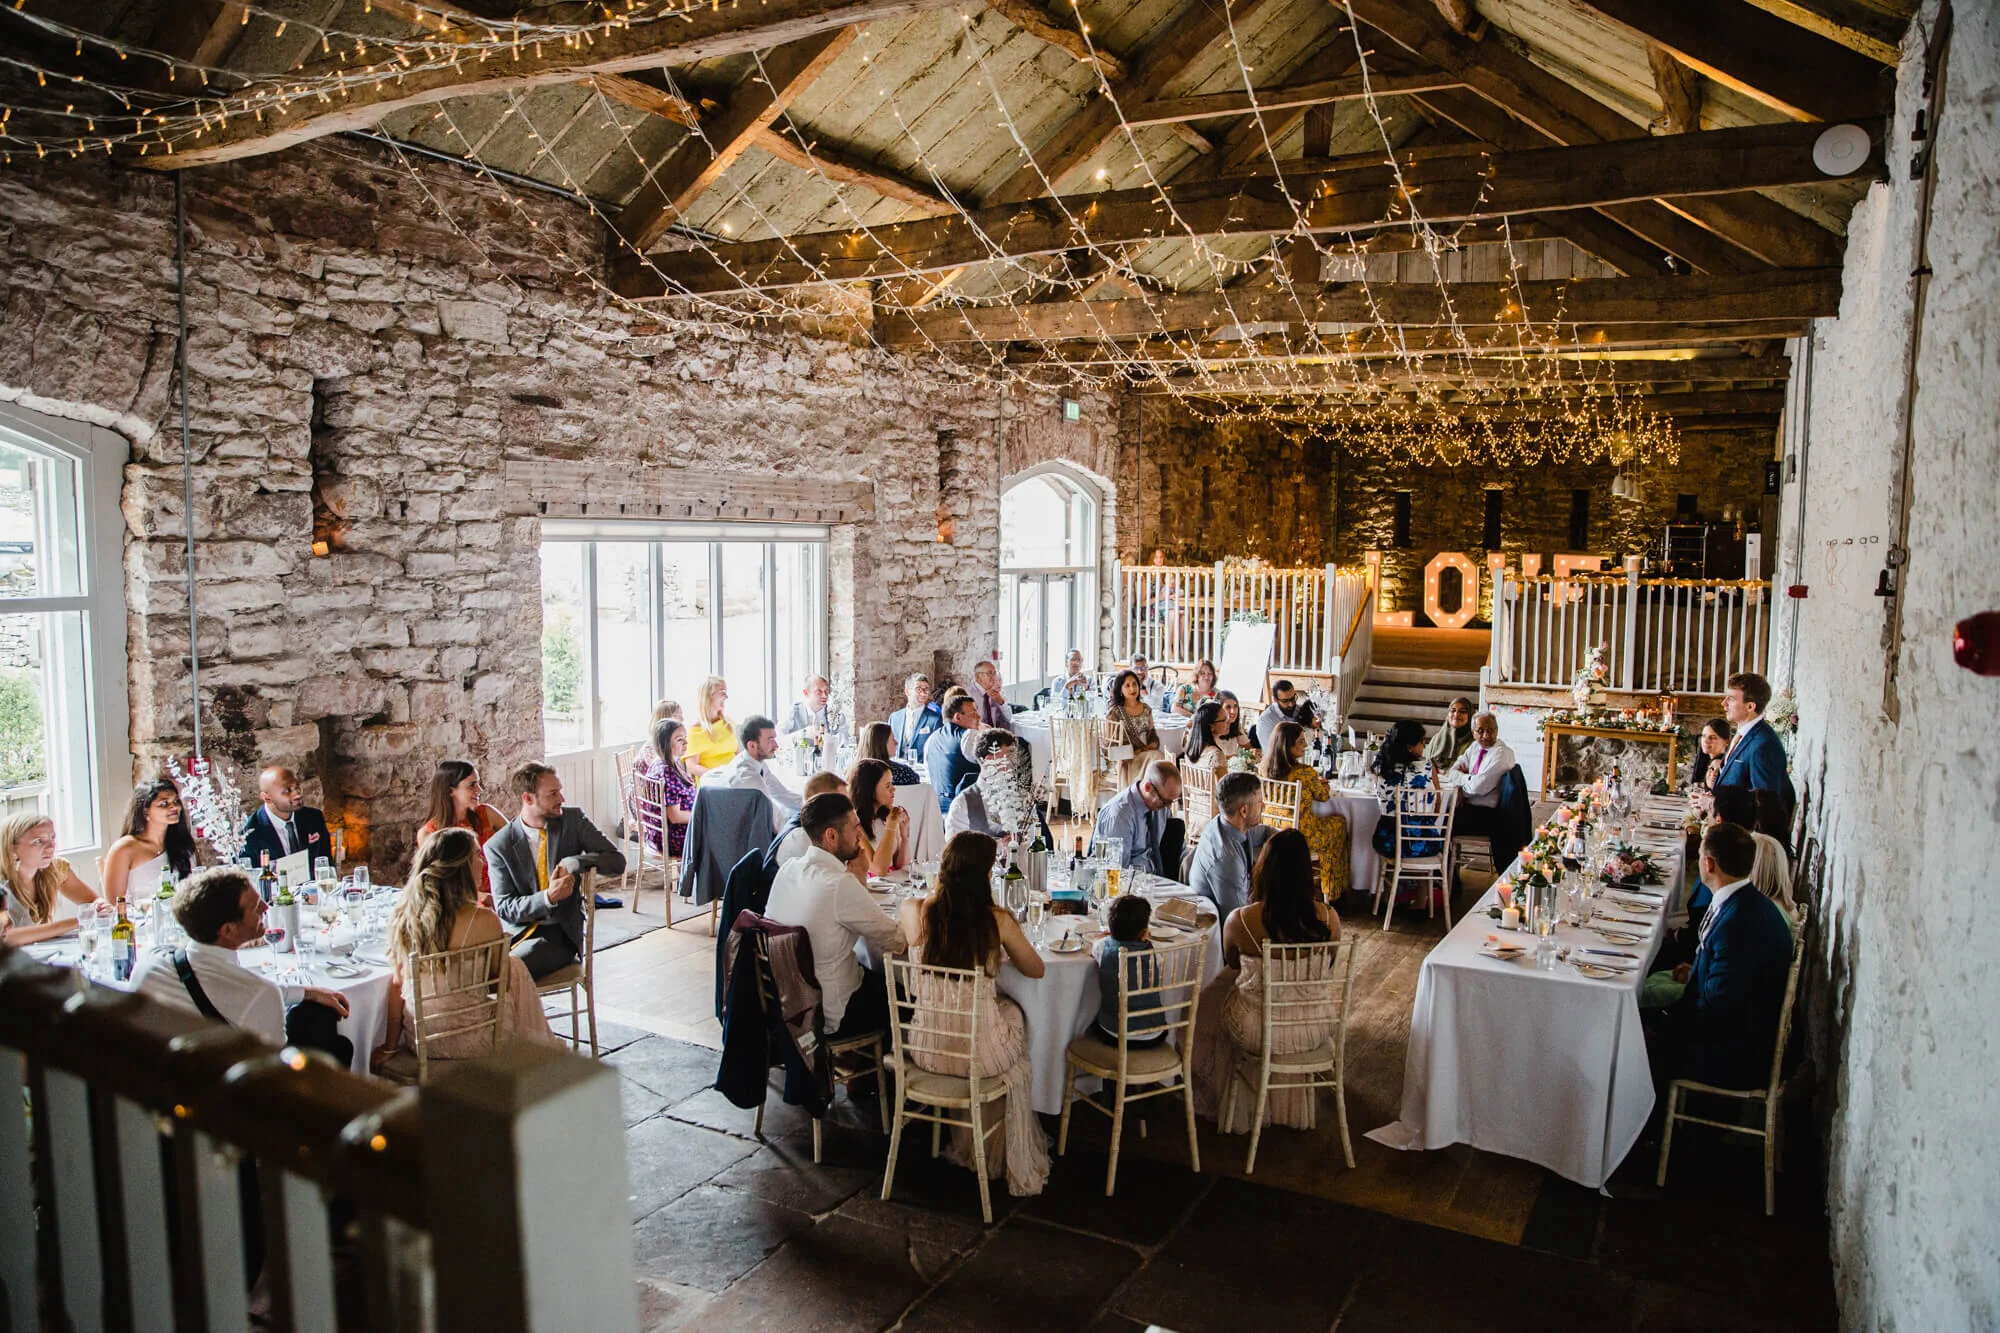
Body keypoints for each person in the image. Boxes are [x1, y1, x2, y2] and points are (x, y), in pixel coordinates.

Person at [896, 832, 1048, 1197]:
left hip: (926, 1049)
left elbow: (913, 934)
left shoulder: (916, 910)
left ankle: (968, 1136)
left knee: (995, 1014)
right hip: (978, 1059)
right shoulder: (996, 921)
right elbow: (1036, 970)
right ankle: (999, 1145)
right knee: (1015, 1014)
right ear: (985, 874)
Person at [1191, 829, 1339, 1133]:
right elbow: (1330, 965)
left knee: (1201, 1009)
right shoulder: (1328, 919)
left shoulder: (1241, 920)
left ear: (1264, 869)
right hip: (1313, 1026)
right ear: (1304, 873)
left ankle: (1236, 1096)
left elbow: (1232, 963)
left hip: (1258, 1029)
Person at [374, 828, 555, 1071]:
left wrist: (390, 1046)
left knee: (514, 966)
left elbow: (397, 987)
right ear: (461, 868)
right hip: (477, 1039)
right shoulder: (484, 921)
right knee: (514, 968)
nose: (482, 862)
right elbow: (495, 982)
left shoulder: (405, 919)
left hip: (424, 1042)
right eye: (476, 856)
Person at [134, 866, 353, 1064]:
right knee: (325, 1030)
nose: (266, 907)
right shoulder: (259, 995)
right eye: (256, 907)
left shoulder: (149, 964)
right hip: (231, 1093)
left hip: (174, 1077)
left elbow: (230, 990)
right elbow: (274, 1071)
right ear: (228, 930)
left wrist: (306, 992)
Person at [1643, 823, 1795, 1097]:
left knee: (1629, 1040)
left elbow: (1716, 1010)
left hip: (1735, 1054)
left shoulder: (1739, 922)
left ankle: (1647, 1127)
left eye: (1700, 855)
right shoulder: (1745, 902)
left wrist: (1661, 1027)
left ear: (1708, 864)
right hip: (1735, 1030)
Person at [764, 793, 907, 1039]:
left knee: (867, 970)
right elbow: (896, 941)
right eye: (855, 828)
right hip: (832, 1013)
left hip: (786, 1004)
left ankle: (861, 1068)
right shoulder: (839, 884)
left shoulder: (788, 869)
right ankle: (879, 1073)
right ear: (831, 836)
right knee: (906, 994)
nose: (861, 836)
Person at [487, 763, 627, 981]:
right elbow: (505, 908)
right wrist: (548, 898)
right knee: (476, 971)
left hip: (560, 933)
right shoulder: (499, 845)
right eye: (553, 793)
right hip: (516, 935)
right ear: (528, 798)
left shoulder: (572, 821)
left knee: (506, 972)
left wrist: (575, 861)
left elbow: (617, 862)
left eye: (559, 790)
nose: (561, 799)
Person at [1261, 721, 1351, 901]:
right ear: (1289, 745)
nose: (1306, 745)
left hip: (1273, 831)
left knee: (1332, 825)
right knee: (1338, 824)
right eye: (1301, 741)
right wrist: (1323, 785)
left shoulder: (1264, 768)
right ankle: (1332, 892)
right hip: (1301, 835)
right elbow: (1323, 797)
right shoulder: (1304, 772)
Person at [1706, 671, 1796, 832]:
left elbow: (1764, 806)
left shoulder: (1764, 744)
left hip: (1742, 842)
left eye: (1731, 699)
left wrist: (1713, 803)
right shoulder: (1745, 734)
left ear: (1750, 706)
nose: (1723, 703)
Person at [416, 760, 509, 903]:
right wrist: (479, 897)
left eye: (478, 784)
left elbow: (518, 842)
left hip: (504, 895)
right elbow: (440, 884)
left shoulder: (487, 814)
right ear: (450, 790)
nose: (479, 790)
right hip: (465, 904)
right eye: (472, 785)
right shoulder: (429, 833)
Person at [0, 813, 98, 945]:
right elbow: (4, 937)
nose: (51, 847)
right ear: (12, 849)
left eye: (52, 838)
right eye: (38, 841)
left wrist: (101, 906)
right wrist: (76, 922)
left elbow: (93, 902)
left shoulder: (56, 868)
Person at [102, 778, 197, 906]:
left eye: (176, 801)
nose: (174, 807)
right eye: (164, 804)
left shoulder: (182, 843)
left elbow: (197, 884)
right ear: (145, 811)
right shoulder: (124, 849)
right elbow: (115, 904)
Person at [1188, 771, 1269, 917]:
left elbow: (1265, 833)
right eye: (1259, 802)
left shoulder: (1227, 823)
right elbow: (1238, 920)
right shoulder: (1227, 858)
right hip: (1220, 929)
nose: (1264, 806)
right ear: (1244, 811)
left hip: (1241, 906)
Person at [710, 716, 804, 833]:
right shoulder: (748, 778)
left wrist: (813, 805)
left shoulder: (756, 762)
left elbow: (781, 793)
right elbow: (777, 823)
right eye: (770, 740)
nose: (776, 745)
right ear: (752, 746)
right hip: (745, 837)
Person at [1093, 894, 1164, 1045]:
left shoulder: (1102, 946)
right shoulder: (1154, 952)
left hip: (1115, 1034)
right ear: (1144, 931)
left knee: (1090, 1022)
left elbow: (1093, 950)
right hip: (1154, 1033)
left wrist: (1103, 938)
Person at [1371, 719, 1445, 862]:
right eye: (1422, 742)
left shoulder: (1380, 768)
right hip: (1424, 842)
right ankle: (1417, 881)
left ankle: (1396, 880)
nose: (1424, 746)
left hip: (1387, 842)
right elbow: (1437, 805)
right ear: (1410, 746)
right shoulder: (1428, 769)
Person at [1092, 760, 1183, 875]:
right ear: (1148, 787)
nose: (1168, 807)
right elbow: (1114, 870)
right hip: (1128, 883)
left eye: (1171, 802)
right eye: (1165, 801)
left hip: (1154, 882)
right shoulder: (1119, 815)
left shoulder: (1160, 808)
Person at [946, 729, 1038, 840]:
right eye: (1008, 755)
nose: (1015, 762)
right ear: (989, 760)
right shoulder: (962, 804)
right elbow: (954, 850)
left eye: (1014, 755)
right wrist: (997, 847)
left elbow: (1035, 838)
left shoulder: (1023, 796)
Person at [239, 767, 334, 874]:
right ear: (267, 798)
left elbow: (327, 866)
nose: (298, 794)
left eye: (297, 787)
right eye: (287, 790)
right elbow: (251, 881)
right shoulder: (249, 835)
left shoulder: (314, 817)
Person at [1442, 712, 1514, 842]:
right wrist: (1469, 779)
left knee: (1442, 819)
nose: (1486, 735)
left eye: (1490, 730)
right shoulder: (1476, 746)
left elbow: (1478, 787)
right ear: (1473, 732)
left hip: (1488, 815)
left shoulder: (1501, 754)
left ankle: (1441, 860)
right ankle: (1445, 860)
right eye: (1480, 731)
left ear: (1497, 730)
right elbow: (1451, 772)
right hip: (1471, 807)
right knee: (1441, 814)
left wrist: (1463, 781)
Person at [635, 717, 698, 859]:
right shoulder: (666, 772)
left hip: (668, 834)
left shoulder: (664, 763)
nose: (686, 742)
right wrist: (702, 815)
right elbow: (675, 816)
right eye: (679, 739)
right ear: (665, 743)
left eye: (685, 738)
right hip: (674, 838)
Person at [849, 758, 913, 878]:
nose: (893, 789)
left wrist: (904, 838)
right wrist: (891, 826)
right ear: (871, 790)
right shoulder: (855, 824)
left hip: (890, 884)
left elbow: (900, 865)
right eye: (887, 785)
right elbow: (878, 870)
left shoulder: (885, 816)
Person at [770, 772, 848, 869]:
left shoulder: (811, 824)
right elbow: (824, 879)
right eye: (842, 805)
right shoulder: (802, 838)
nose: (848, 811)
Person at [923, 690, 981, 812]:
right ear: (958, 717)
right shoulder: (969, 736)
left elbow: (929, 776)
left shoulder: (931, 739)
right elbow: (990, 766)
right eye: (973, 712)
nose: (979, 716)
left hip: (937, 809)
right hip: (964, 810)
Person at [1104, 668, 1163, 786]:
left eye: (1134, 684)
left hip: (1146, 756)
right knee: (1157, 759)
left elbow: (1153, 737)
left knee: (1157, 756)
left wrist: (1149, 746)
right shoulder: (1115, 713)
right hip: (1125, 759)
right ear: (1120, 689)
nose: (1132, 688)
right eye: (1127, 685)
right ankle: (1143, 791)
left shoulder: (1146, 709)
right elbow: (1108, 745)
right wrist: (1135, 751)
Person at [685, 676, 738, 777]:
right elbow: (692, 767)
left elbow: (738, 754)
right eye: (722, 692)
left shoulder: (727, 724)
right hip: (712, 782)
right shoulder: (696, 731)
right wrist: (718, 775)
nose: (726, 696)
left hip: (734, 779)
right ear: (709, 696)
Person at [888, 674, 943, 762]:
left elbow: (938, 750)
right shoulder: (894, 717)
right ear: (907, 692)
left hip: (922, 770)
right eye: (918, 689)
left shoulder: (935, 719)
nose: (923, 693)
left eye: (926, 689)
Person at [1254, 680, 1318, 754]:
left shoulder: (1299, 710)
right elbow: (1272, 752)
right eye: (1285, 701)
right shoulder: (1266, 720)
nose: (1291, 704)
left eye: (1293, 699)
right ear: (1275, 700)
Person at [856, 721, 923, 786]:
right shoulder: (904, 774)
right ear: (882, 744)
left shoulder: (854, 774)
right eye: (893, 739)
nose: (896, 743)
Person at [1179, 700, 1231, 776]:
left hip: (1192, 787)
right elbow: (1224, 787)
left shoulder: (1190, 746)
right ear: (1211, 725)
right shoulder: (1215, 755)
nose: (1228, 721)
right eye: (1224, 720)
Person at [1424, 696, 1476, 768]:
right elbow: (1427, 767)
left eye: (1462, 711)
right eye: (1453, 710)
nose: (1456, 714)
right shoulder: (1436, 740)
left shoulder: (1475, 743)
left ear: (1470, 715)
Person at [781, 676, 832, 743]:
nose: (824, 696)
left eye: (826, 691)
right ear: (806, 693)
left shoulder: (835, 714)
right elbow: (778, 739)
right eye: (819, 691)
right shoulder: (792, 712)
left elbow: (845, 743)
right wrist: (801, 734)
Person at [1689, 716, 1732, 792]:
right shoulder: (1703, 761)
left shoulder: (1727, 765)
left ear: (1727, 742)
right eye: (1704, 736)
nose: (1706, 741)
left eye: (1712, 737)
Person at [971, 660, 1015, 732]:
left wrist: (1001, 701)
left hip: (994, 733)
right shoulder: (969, 694)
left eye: (994, 673)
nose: (994, 677)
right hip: (977, 735)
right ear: (978, 677)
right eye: (989, 673)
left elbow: (1009, 718)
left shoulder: (994, 691)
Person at [638, 699, 684, 766]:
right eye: (678, 715)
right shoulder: (650, 747)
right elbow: (661, 771)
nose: (683, 719)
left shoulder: (670, 742)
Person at [1214, 691, 1257, 762]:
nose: (1233, 711)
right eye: (1228, 707)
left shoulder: (1236, 726)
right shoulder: (1212, 728)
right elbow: (1216, 760)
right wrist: (1238, 756)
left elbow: (1248, 748)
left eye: (1235, 706)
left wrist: (1252, 752)